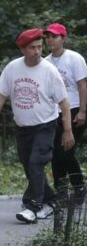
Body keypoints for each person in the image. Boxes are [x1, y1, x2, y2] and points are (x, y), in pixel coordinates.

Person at [0, 28, 75, 224]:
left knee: (36, 163)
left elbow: (64, 103)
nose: (37, 51)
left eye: (39, 47)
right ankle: (51, 200)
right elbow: (2, 93)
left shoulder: (49, 70)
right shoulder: (12, 68)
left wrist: (67, 131)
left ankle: (32, 206)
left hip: (45, 126)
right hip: (23, 127)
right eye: (32, 48)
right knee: (29, 167)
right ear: (22, 49)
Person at [44, 23, 87, 205]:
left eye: (54, 36)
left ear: (63, 38)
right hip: (55, 113)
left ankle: (79, 188)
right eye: (48, 37)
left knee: (66, 152)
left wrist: (83, 111)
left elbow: (82, 85)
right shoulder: (46, 61)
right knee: (55, 154)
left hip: (75, 109)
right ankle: (61, 191)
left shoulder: (74, 58)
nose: (50, 40)